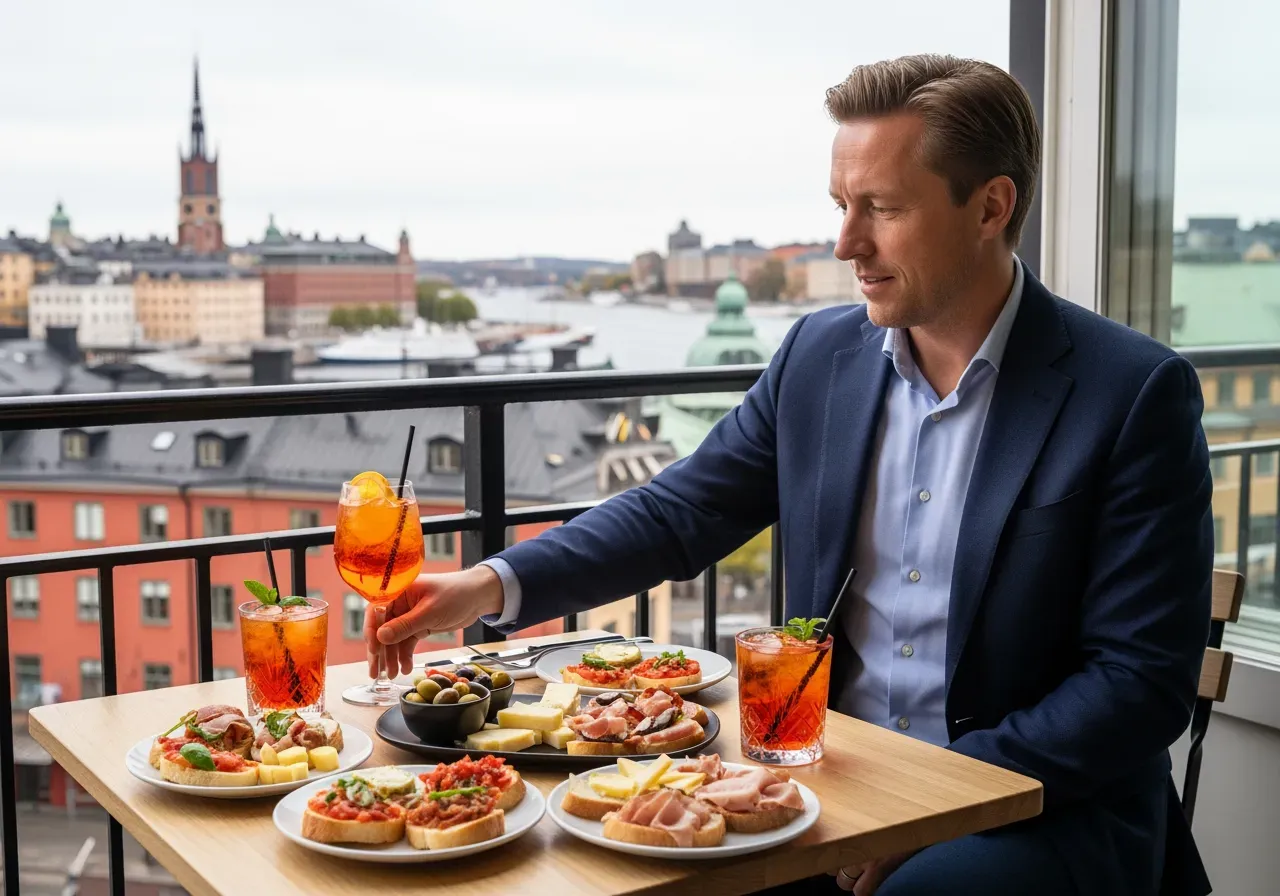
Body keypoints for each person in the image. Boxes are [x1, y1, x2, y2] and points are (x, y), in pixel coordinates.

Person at [367, 54, 1213, 896]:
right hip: (822, 773)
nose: (847, 243)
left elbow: (1137, 683)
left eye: (882, 208)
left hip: (1039, 804)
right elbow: (680, 510)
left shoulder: (1132, 393)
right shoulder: (821, 356)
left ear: (992, 205)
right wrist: (487, 585)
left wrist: (935, 803)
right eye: (843, 206)